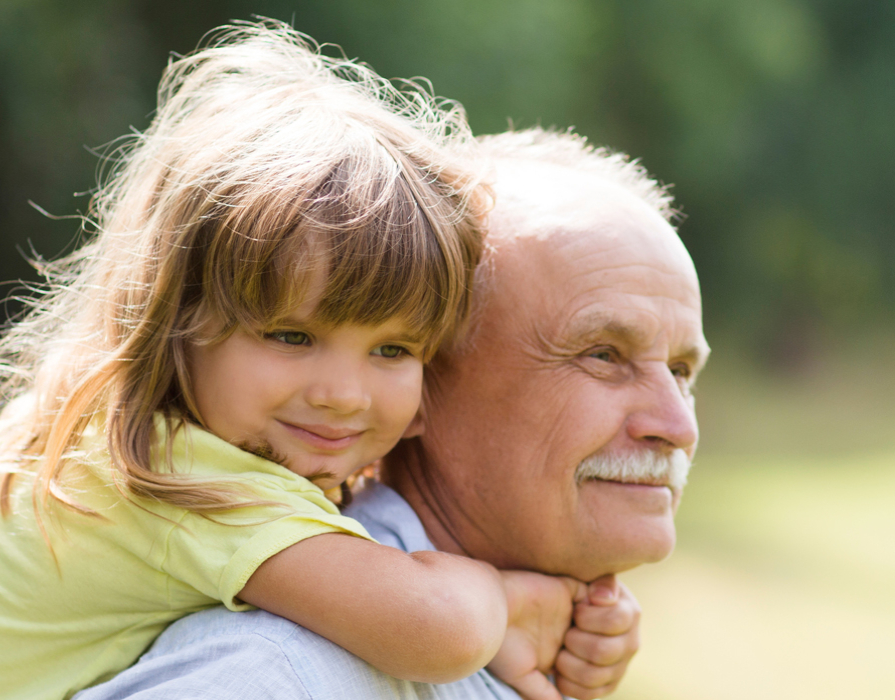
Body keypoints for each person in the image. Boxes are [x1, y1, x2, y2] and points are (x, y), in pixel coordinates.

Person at [0, 24, 626, 700]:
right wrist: (501, 599)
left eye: (392, 349)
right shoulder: (186, 485)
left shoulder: (129, 438)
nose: (342, 394)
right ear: (177, 322)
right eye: (292, 336)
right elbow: (433, 631)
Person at [76, 126, 708, 700]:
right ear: (423, 385)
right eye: (602, 354)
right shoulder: (277, 675)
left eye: (682, 371)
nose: (677, 426)